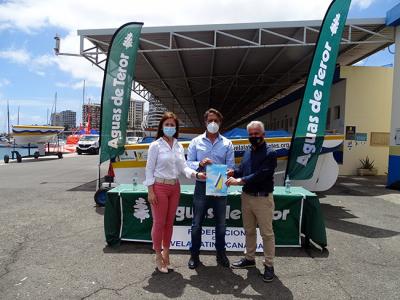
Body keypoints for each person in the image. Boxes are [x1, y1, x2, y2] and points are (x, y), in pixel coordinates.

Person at [143, 112, 206, 273]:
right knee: (159, 223)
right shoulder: (155, 145)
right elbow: (149, 169)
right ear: (162, 126)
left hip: (174, 187)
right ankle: (158, 255)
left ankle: (167, 253)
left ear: (176, 128)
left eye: (172, 125)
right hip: (159, 187)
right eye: (167, 124)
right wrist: (150, 190)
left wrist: (196, 174)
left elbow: (183, 167)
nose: (169, 127)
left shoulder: (178, 145)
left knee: (169, 224)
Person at [226, 120, 277, 282]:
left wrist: (239, 181)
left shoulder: (270, 153)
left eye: (257, 134)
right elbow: (243, 169)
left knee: (267, 234)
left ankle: (269, 265)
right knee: (249, 231)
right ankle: (249, 258)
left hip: (262, 198)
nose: (254, 137)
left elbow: (261, 175)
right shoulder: (248, 151)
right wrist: (232, 171)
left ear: (263, 134)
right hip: (246, 197)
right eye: (251, 134)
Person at [186, 108, 235, 269]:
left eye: (216, 121)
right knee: (197, 223)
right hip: (201, 185)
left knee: (221, 224)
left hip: (219, 184)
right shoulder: (196, 142)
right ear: (205, 122)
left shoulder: (227, 143)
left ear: (220, 123)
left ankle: (221, 254)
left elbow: (231, 166)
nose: (213, 123)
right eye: (210, 120)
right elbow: (188, 163)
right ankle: (194, 255)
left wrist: (228, 171)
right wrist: (199, 164)